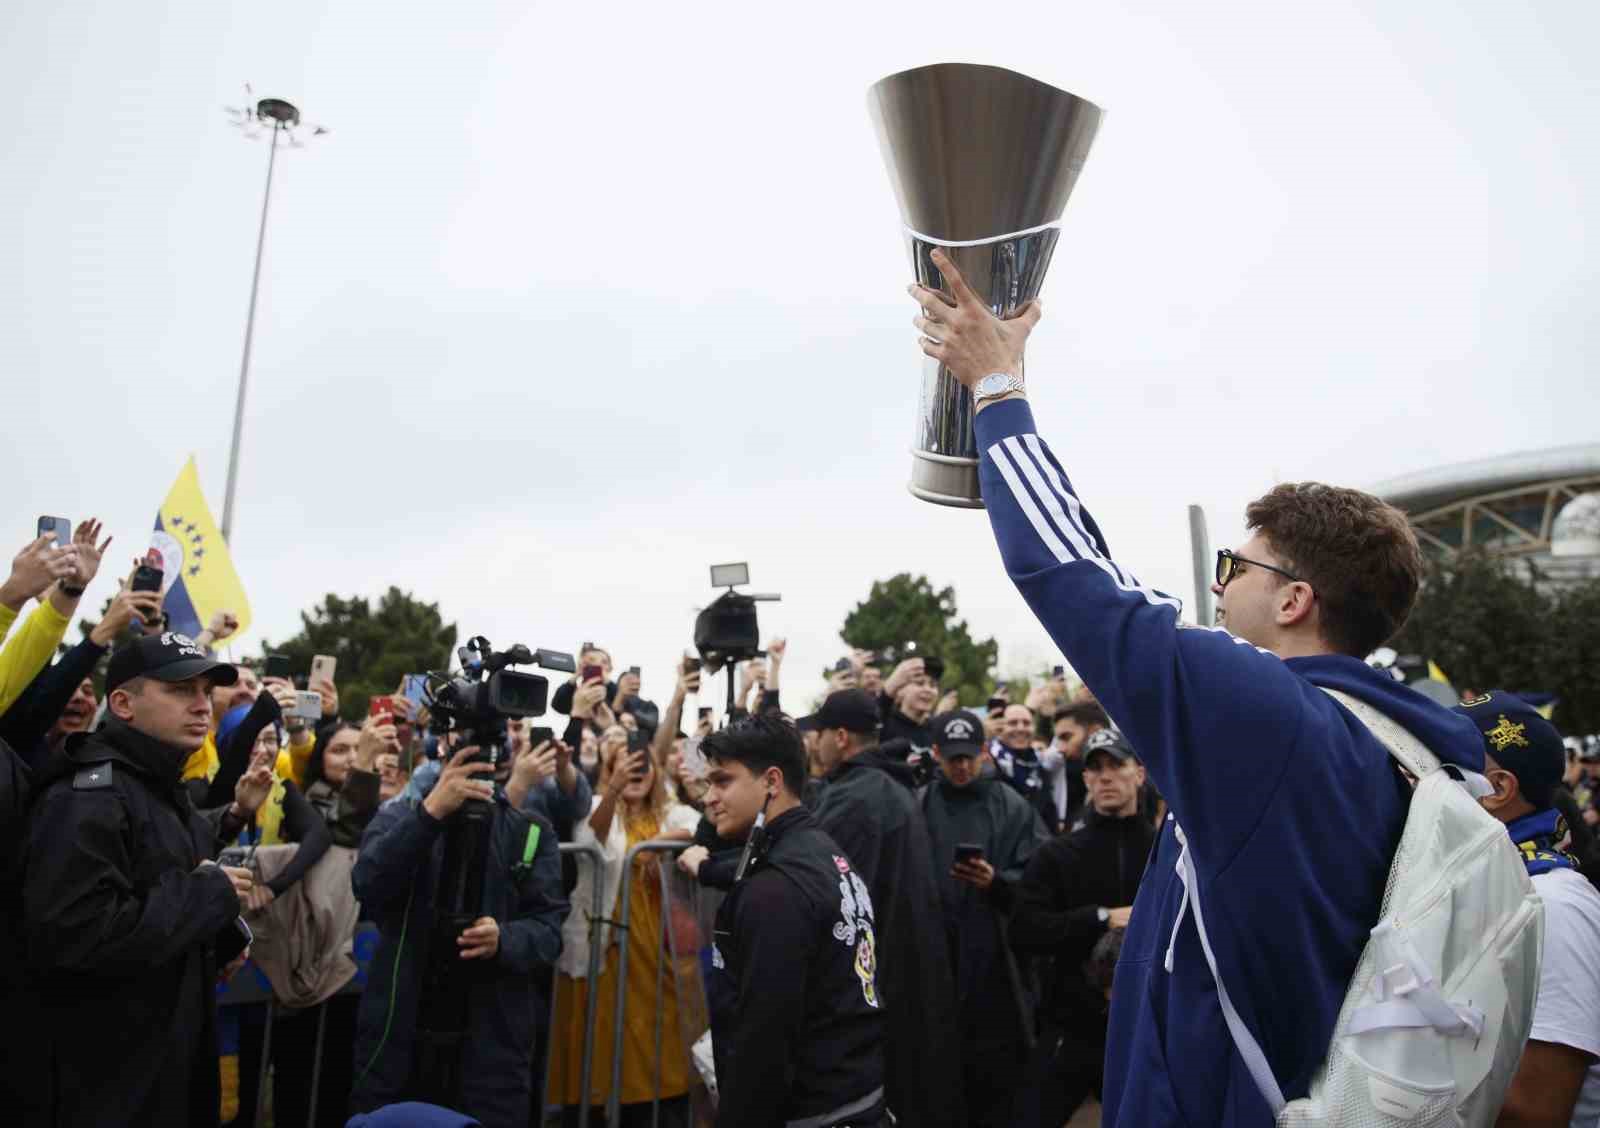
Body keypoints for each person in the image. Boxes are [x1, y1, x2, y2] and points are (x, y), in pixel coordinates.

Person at [908, 247, 1490, 1125]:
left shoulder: (1276, 718)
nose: (1218, 587)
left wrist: (996, 387)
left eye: (1235, 566)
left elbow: (1078, 580)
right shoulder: (1383, 744)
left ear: (1294, 600)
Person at [21, 632, 255, 1128]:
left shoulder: (157, 784)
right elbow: (76, 934)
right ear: (123, 704)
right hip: (107, 1085)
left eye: (206, 691)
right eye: (180, 690)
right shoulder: (88, 796)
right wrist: (207, 897)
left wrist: (215, 940)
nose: (202, 705)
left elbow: (157, 891)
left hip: (162, 1067)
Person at [349, 741, 568, 1127]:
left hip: (492, 1050)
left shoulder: (529, 831)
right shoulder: (400, 815)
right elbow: (367, 882)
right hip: (399, 1041)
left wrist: (504, 939)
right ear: (443, 745)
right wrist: (429, 814)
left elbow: (549, 931)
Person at [697, 714, 887, 1128]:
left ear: (771, 781)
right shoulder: (823, 852)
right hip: (852, 1097)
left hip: (817, 1111)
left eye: (722, 781)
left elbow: (764, 1038)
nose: (708, 797)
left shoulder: (777, 887)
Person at [809, 689, 965, 1128]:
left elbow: (813, 877)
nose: (814, 743)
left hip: (881, 982)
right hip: (907, 976)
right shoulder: (886, 786)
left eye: (819, 733)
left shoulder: (855, 796)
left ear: (840, 737)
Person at [1454, 692, 1600, 1126]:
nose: (1412, 775)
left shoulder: (1553, 905)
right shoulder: (1484, 885)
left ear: (1498, 789)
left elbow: (1535, 1111)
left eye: (1441, 763)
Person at [547, 724, 699, 1127]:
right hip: (604, 944)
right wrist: (613, 790)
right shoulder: (599, 804)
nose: (636, 771)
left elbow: (701, 826)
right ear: (610, 770)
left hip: (656, 949)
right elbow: (588, 839)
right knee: (597, 1038)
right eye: (624, 764)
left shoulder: (670, 812)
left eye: (642, 765)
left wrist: (658, 845)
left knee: (656, 1037)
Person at [1011, 729, 1156, 1127]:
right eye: (1096, 768)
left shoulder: (1166, 853)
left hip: (1146, 1027)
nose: (1106, 777)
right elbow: (1024, 929)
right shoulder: (1057, 855)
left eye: (1116, 765)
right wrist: (1100, 917)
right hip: (1073, 1025)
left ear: (1139, 773)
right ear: (1086, 779)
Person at [918, 708, 1050, 1127]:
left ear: (984, 753)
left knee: (997, 1081)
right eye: (952, 757)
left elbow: (1043, 879)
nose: (961, 766)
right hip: (936, 963)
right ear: (936, 754)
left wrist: (998, 883)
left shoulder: (1011, 805)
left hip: (997, 965)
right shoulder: (918, 804)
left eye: (968, 757)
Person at [1048, 700, 1108, 830]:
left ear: (1095, 732)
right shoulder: (1066, 778)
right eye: (1058, 740)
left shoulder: (1139, 785)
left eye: (1066, 737)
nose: (1060, 749)